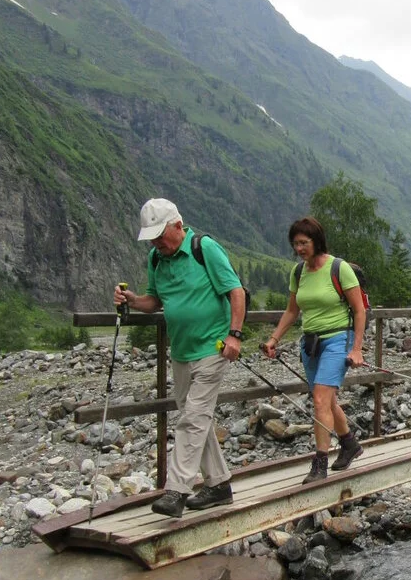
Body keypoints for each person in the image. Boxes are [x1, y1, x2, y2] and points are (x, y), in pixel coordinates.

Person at [113, 198, 246, 518]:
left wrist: (235, 335)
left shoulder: (205, 248)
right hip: (182, 351)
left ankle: (176, 490)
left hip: (213, 348)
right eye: (152, 237)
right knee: (195, 417)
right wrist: (131, 299)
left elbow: (236, 291)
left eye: (161, 235)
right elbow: (155, 302)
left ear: (177, 225)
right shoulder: (156, 259)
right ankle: (219, 485)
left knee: (193, 417)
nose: (157, 242)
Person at [262, 217, 367, 485]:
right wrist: (274, 338)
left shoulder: (339, 268)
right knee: (326, 400)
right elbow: (292, 310)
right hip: (310, 343)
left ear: (316, 241)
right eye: (295, 243)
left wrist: (356, 348)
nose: (299, 248)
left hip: (337, 339)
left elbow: (359, 309)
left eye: (304, 243)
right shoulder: (298, 272)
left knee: (320, 400)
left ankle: (319, 463)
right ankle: (349, 443)